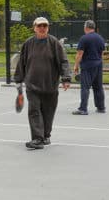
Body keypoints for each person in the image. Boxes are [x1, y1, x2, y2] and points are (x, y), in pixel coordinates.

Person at [13, 17, 72, 150]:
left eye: (45, 26)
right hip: (32, 86)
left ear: (48, 28)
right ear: (34, 28)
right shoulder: (28, 43)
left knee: (48, 113)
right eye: (39, 26)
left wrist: (66, 78)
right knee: (34, 111)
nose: (42, 28)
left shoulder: (54, 43)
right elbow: (22, 62)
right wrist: (18, 80)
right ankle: (37, 139)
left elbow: (63, 61)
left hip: (50, 86)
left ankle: (45, 135)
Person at [72, 20, 106, 115]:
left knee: (85, 87)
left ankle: (83, 109)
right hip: (98, 64)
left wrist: (76, 66)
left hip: (88, 65)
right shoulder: (100, 38)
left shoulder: (84, 38)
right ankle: (101, 107)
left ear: (85, 27)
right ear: (93, 27)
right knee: (98, 87)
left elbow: (80, 53)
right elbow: (102, 52)